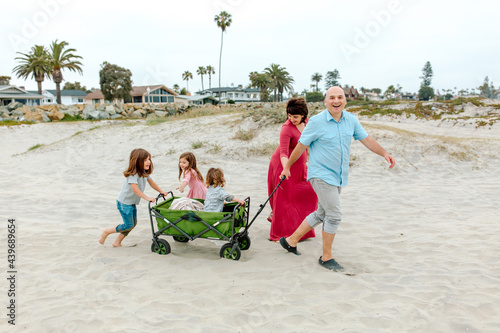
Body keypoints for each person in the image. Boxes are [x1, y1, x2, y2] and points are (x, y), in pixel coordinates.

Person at [279, 86, 396, 271]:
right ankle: (326, 257)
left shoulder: (351, 120)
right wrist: (287, 167)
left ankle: (290, 240)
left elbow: (366, 139)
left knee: (322, 213)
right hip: (320, 174)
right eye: (332, 97)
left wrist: (384, 153)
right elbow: (301, 146)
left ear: (345, 100)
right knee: (334, 214)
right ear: (325, 102)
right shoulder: (316, 122)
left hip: (338, 175)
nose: (336, 101)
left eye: (340, 97)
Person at [267, 98, 318, 242]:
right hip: (282, 164)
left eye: (295, 116)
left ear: (303, 115)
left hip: (300, 165)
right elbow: (283, 152)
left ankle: (301, 231)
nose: (291, 119)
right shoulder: (286, 128)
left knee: (310, 191)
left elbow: (310, 144)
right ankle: (279, 234)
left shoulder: (308, 123)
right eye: (289, 116)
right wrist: (286, 168)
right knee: (284, 199)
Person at [99, 148, 168, 247]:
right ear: (137, 161)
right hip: (124, 203)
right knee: (128, 225)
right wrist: (147, 198)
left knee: (133, 224)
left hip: (131, 203)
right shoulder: (133, 174)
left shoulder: (144, 172)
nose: (148, 162)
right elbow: (135, 189)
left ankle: (117, 242)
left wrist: (161, 191)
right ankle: (106, 231)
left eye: (149, 159)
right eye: (145, 160)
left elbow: (152, 183)